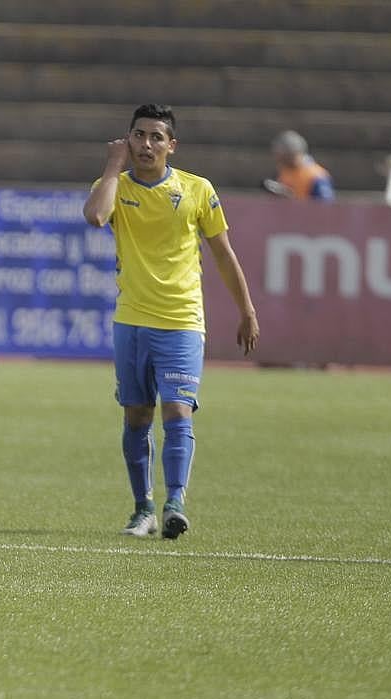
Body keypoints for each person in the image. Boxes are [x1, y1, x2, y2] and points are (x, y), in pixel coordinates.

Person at [83, 103, 259, 540]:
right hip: (131, 320)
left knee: (178, 410)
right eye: (139, 135)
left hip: (181, 320)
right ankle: (142, 509)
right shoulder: (115, 186)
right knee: (137, 416)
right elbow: (95, 216)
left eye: (156, 137)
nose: (146, 144)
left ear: (172, 145)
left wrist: (247, 309)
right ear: (128, 140)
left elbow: (222, 253)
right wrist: (111, 165)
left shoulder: (197, 190)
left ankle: (175, 502)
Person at [264, 130, 335, 201]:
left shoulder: (317, 176)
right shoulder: (284, 171)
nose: (277, 159)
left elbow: (324, 206)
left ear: (290, 154)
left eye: (281, 155)